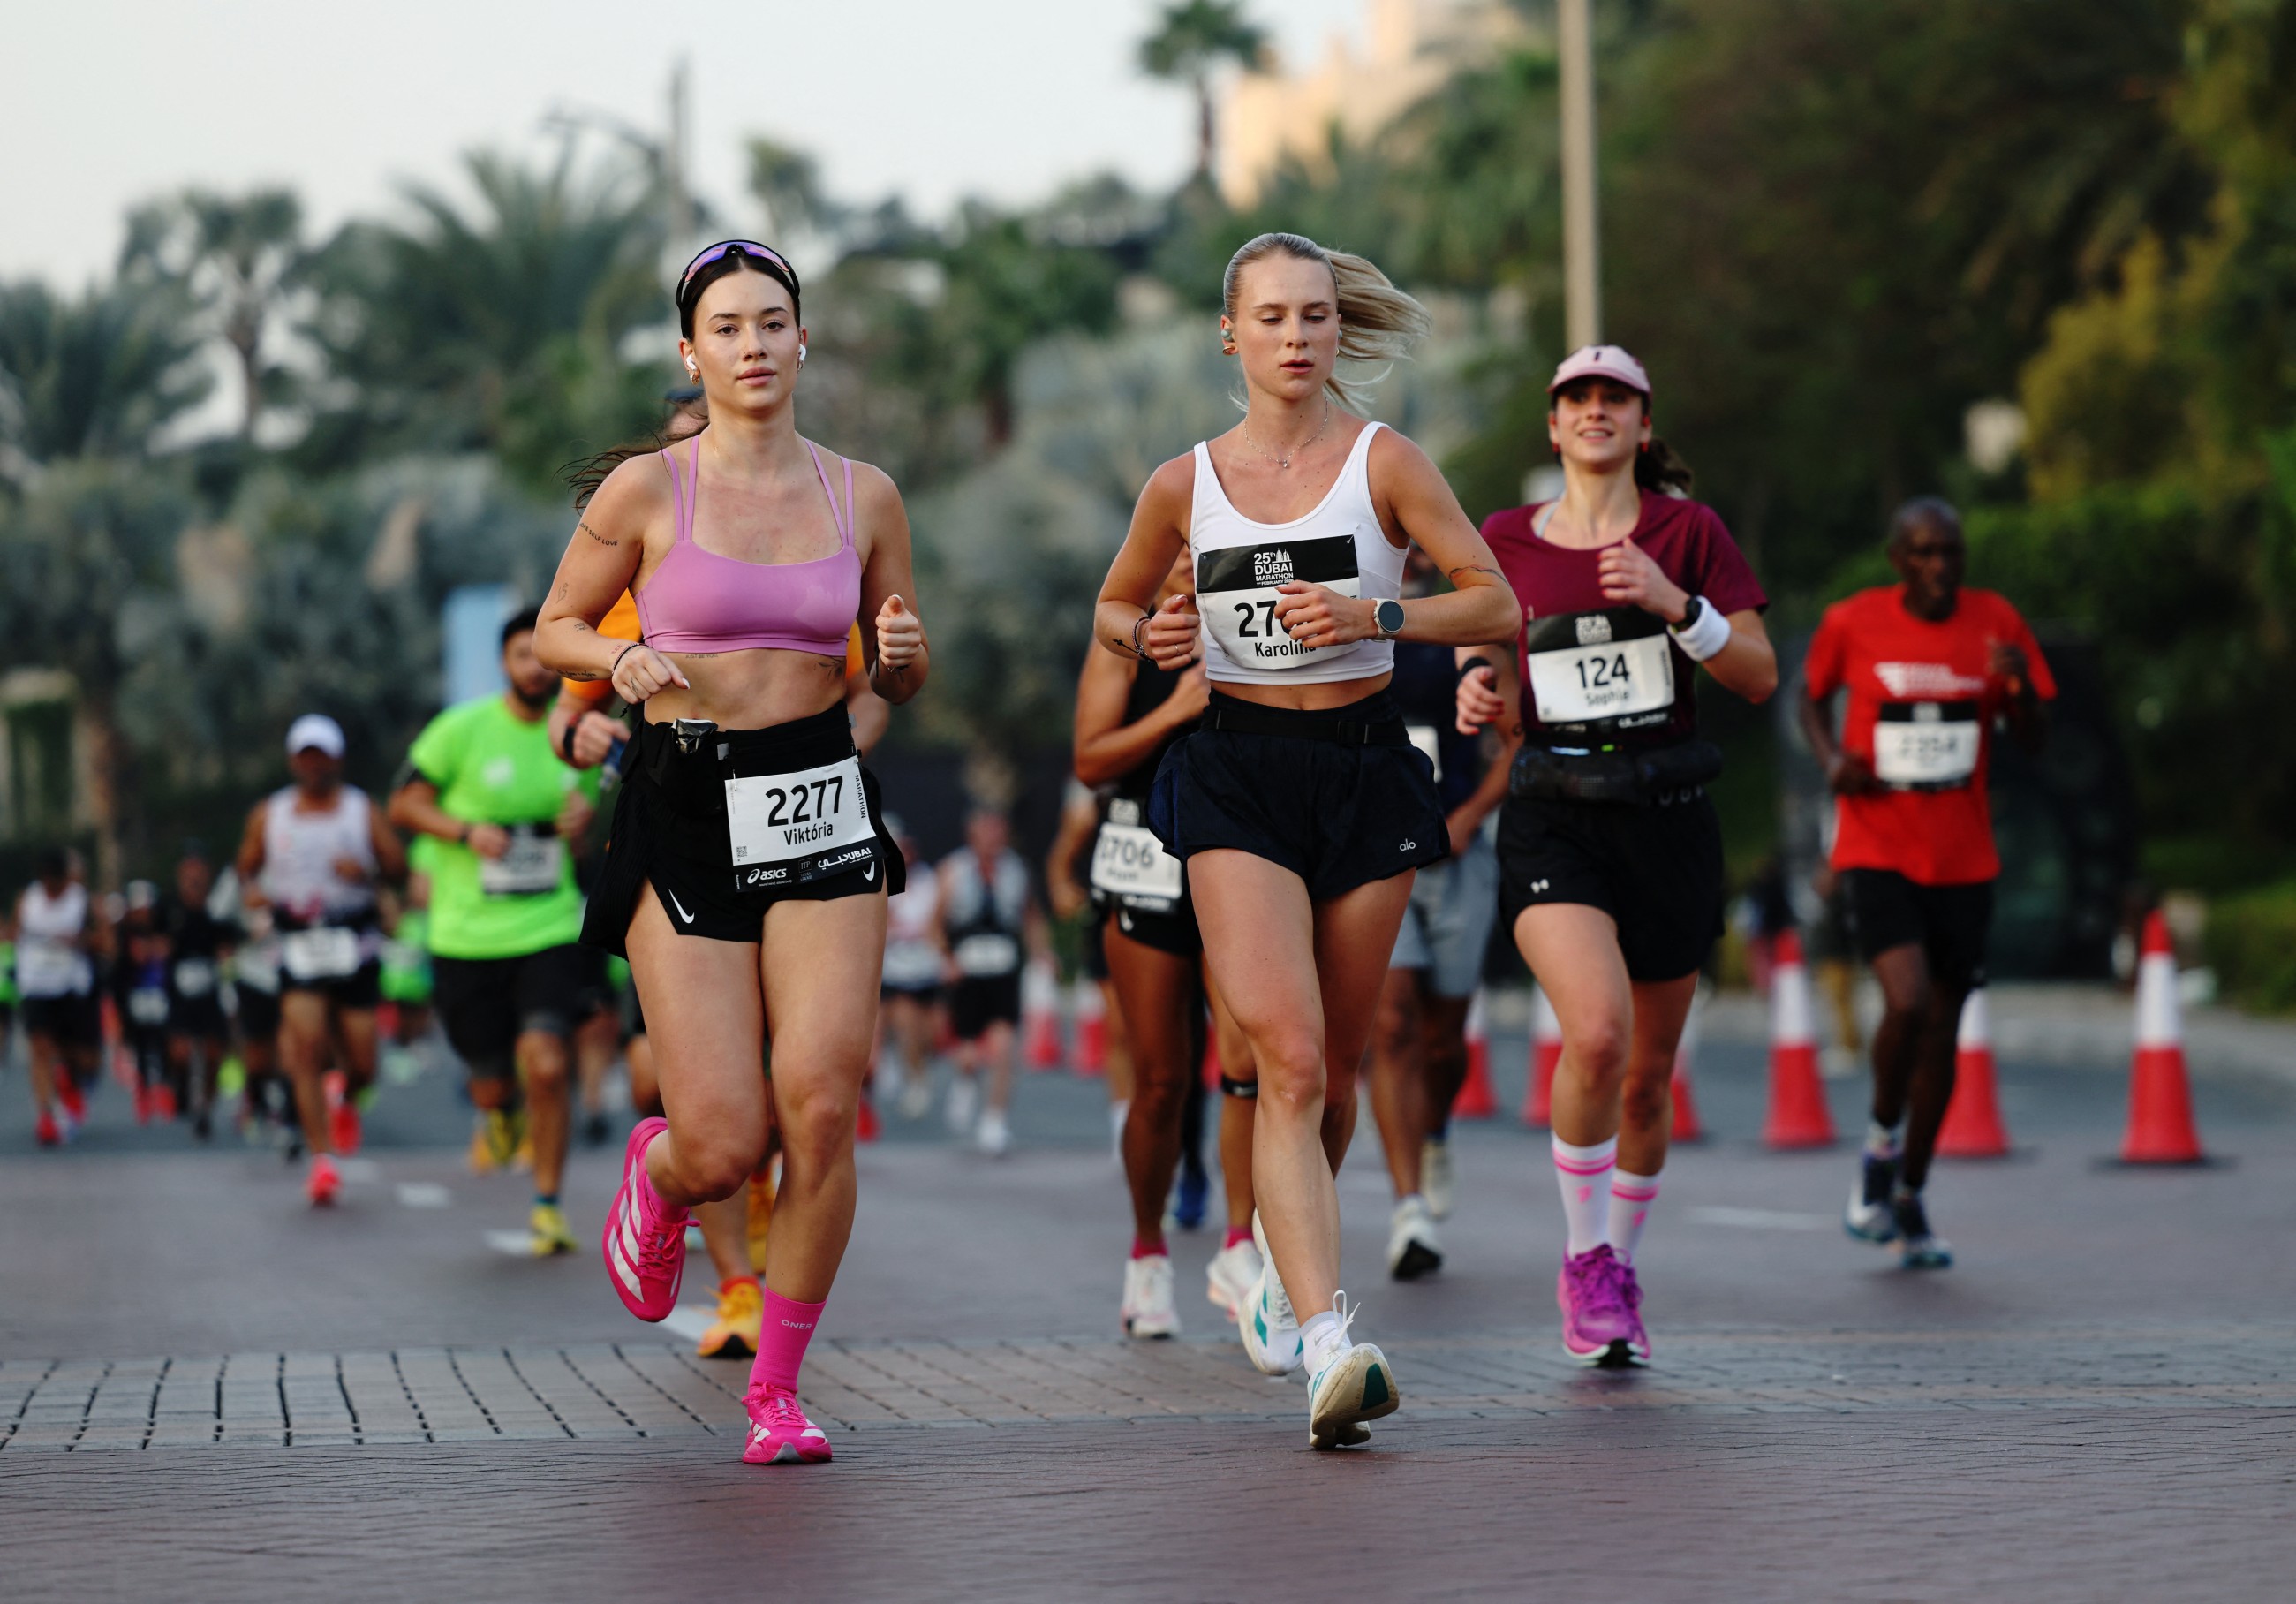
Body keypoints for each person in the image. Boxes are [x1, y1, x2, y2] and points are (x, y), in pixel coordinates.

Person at [1093, 231, 1519, 1448]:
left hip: (1363, 766)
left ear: (1339, 331)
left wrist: (1376, 610)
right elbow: (1117, 602)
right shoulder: (1186, 483)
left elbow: (1496, 600)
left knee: (1325, 1067)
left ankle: (1279, 1272)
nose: (1297, 336)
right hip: (1233, 770)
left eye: (1318, 316)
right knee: (1282, 1053)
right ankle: (1331, 1336)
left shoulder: (1385, 464)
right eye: (1272, 317)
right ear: (1230, 335)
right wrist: (1152, 638)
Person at [534, 238, 927, 1466]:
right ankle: (664, 1170)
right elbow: (554, 629)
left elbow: (894, 670)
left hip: (815, 801)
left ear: (804, 341)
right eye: (729, 328)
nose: (753, 346)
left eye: (774, 323)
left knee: (819, 1106)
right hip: (685, 803)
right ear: (691, 352)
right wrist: (622, 659)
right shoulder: (648, 493)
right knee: (727, 1139)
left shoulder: (864, 494)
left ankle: (778, 1388)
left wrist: (899, 672)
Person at [1458, 344, 1775, 1367]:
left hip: (1667, 813)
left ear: (1642, 425)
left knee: (1645, 1079)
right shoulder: (1505, 539)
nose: (1594, 411)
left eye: (1615, 399)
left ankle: (1619, 1267)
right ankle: (1583, 1258)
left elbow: (1761, 676)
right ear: (1552, 427)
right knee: (1593, 1033)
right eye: (1575, 399)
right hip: (1554, 811)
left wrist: (1674, 604)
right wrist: (1477, 685)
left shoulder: (1688, 534)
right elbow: (1484, 644)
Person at [1801, 496, 2051, 1268]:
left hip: (1963, 855)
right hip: (1877, 845)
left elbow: (2035, 738)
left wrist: (2017, 693)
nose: (1941, 566)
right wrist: (1832, 762)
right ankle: (1879, 1145)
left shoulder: (1997, 621)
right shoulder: (1853, 621)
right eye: (1925, 552)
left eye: (1952, 553)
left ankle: (1909, 1191)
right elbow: (1809, 698)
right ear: (1898, 559)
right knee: (1905, 1000)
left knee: (1943, 1026)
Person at [1074, 550, 1269, 1339]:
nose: (1191, 562)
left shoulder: (1256, 625)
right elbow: (1090, 760)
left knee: (1247, 1062)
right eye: (1180, 547)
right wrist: (1175, 708)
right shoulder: (1123, 637)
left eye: (1207, 545)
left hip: (1240, 847)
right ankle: (1148, 1255)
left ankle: (1237, 1242)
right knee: (1160, 1080)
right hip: (1144, 853)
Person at [389, 609, 603, 1256]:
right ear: (504, 663)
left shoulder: (580, 734)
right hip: (466, 936)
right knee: (491, 1082)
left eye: (544, 656)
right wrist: (464, 832)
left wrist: (584, 823)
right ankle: (500, 1113)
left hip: (547, 925)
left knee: (547, 1060)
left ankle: (547, 1205)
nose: (536, 668)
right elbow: (403, 804)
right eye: (522, 656)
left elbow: (592, 829)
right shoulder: (461, 731)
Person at [1369, 547, 1522, 1279]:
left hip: (1457, 854)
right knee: (1391, 1025)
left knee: (1442, 1041)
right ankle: (1409, 1209)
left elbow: (1514, 744)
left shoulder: (1469, 623)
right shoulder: (1347, 618)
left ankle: (1434, 1135)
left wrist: (1466, 820)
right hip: (1377, 860)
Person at [235, 714, 406, 1206]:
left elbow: (397, 866)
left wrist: (367, 870)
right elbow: (245, 869)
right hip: (298, 940)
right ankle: (322, 1160)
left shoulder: (360, 810)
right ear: (293, 760)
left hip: (352, 937)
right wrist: (253, 896)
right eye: (305, 755)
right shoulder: (271, 814)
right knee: (304, 1047)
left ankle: (346, 1095)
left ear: (337, 759)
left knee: (363, 1061)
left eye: (322, 755)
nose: (314, 765)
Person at [933, 808, 1040, 1156]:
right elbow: (933, 924)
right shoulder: (953, 871)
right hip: (967, 970)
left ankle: (994, 1121)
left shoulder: (1016, 870)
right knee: (967, 1054)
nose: (994, 840)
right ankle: (965, 1081)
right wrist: (946, 960)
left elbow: (1030, 916)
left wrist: (1043, 954)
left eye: (999, 833)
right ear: (973, 835)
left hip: (1003, 969)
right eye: (987, 833)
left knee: (1005, 1046)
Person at [15, 847, 99, 1146]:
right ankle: (46, 1115)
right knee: (40, 1046)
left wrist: (80, 940)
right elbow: (16, 934)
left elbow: (103, 940)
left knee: (76, 1053)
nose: (51, 889)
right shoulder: (28, 901)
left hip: (70, 986)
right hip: (36, 984)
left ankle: (72, 1084)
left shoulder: (82, 901)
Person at [162, 846, 236, 1141]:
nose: (194, 878)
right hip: (179, 988)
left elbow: (229, 942)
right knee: (180, 1051)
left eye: (199, 872)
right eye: (188, 872)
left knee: (214, 1052)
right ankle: (181, 1086)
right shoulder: (169, 908)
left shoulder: (217, 908)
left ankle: (205, 1106)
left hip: (211, 987)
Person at [878, 817, 943, 1120]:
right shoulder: (879, 882)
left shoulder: (929, 881)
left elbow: (936, 925)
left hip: (924, 969)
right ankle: (901, 1073)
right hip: (893, 970)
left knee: (925, 1035)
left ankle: (916, 1070)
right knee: (900, 1022)